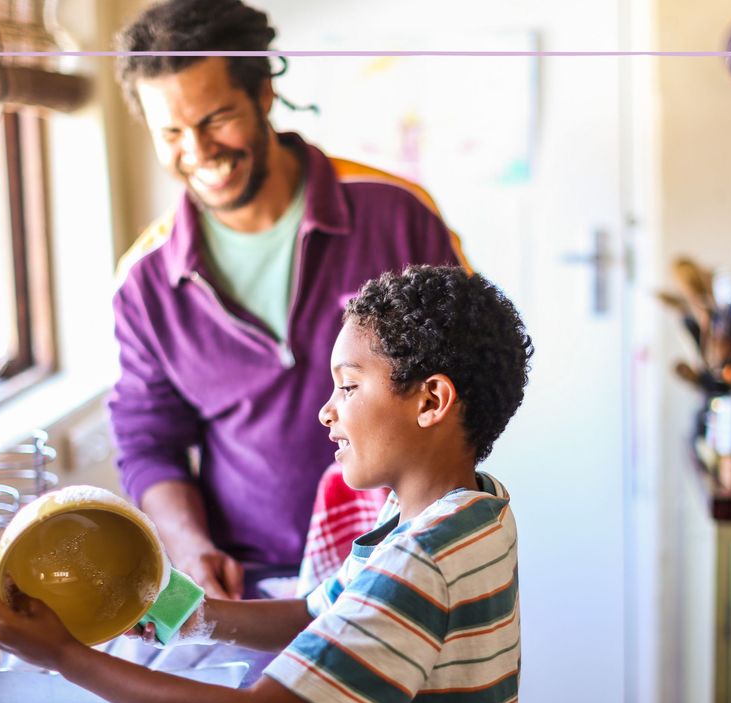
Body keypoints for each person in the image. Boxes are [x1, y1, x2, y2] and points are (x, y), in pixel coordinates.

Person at [0, 265, 564, 703]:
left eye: (348, 385)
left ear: (431, 400)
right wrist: (172, 607)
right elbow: (313, 617)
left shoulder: (421, 561)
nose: (326, 411)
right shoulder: (462, 510)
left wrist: (65, 658)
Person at [109, 0, 466, 600]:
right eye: (170, 132)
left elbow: (466, 383)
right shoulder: (144, 282)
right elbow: (149, 442)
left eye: (216, 118)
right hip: (250, 582)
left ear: (264, 94)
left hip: (408, 563)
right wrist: (190, 547)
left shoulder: (396, 214)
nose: (197, 150)